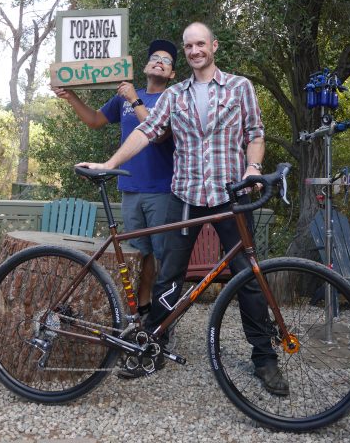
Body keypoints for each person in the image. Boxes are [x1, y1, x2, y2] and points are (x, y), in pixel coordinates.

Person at [77, 22, 289, 395]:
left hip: (231, 194)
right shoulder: (175, 95)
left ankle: (264, 358)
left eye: (200, 44)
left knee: (248, 277)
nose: (194, 50)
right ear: (186, 52)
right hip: (185, 195)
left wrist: (253, 168)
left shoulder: (240, 87)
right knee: (168, 276)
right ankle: (154, 347)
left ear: (214, 46)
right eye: (188, 46)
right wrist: (110, 165)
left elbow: (255, 133)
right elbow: (147, 132)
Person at [53, 39, 177, 321]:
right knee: (140, 255)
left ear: (171, 75)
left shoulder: (172, 98)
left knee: (163, 258)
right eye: (154, 56)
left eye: (166, 60)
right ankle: (144, 311)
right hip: (130, 189)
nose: (159, 60)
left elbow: (160, 133)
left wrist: (135, 99)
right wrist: (70, 96)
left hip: (161, 191)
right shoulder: (124, 96)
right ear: (144, 66)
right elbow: (95, 120)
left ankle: (163, 321)